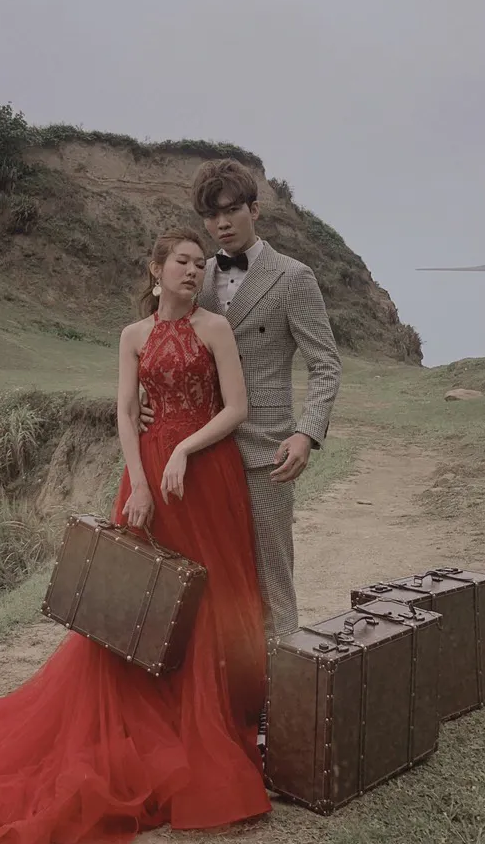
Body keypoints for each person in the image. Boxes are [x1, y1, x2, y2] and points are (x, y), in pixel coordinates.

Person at [0, 228, 272, 844]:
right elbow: (125, 411)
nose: (193, 271)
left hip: (207, 476)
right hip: (149, 478)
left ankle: (205, 724)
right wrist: (140, 481)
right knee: (134, 604)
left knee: (211, 604)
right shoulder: (133, 335)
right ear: (156, 269)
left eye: (200, 264)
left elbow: (236, 408)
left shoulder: (214, 328)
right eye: (182, 262)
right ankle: (140, 721)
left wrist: (186, 450)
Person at [142, 160, 341, 646]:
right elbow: (163, 341)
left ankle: (285, 679)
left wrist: (306, 432)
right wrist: (147, 398)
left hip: (263, 451)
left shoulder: (293, 277)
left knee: (271, 576)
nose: (222, 224)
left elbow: (325, 364)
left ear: (255, 210)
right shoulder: (196, 273)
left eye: (232, 210)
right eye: (211, 215)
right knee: (206, 575)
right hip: (202, 448)